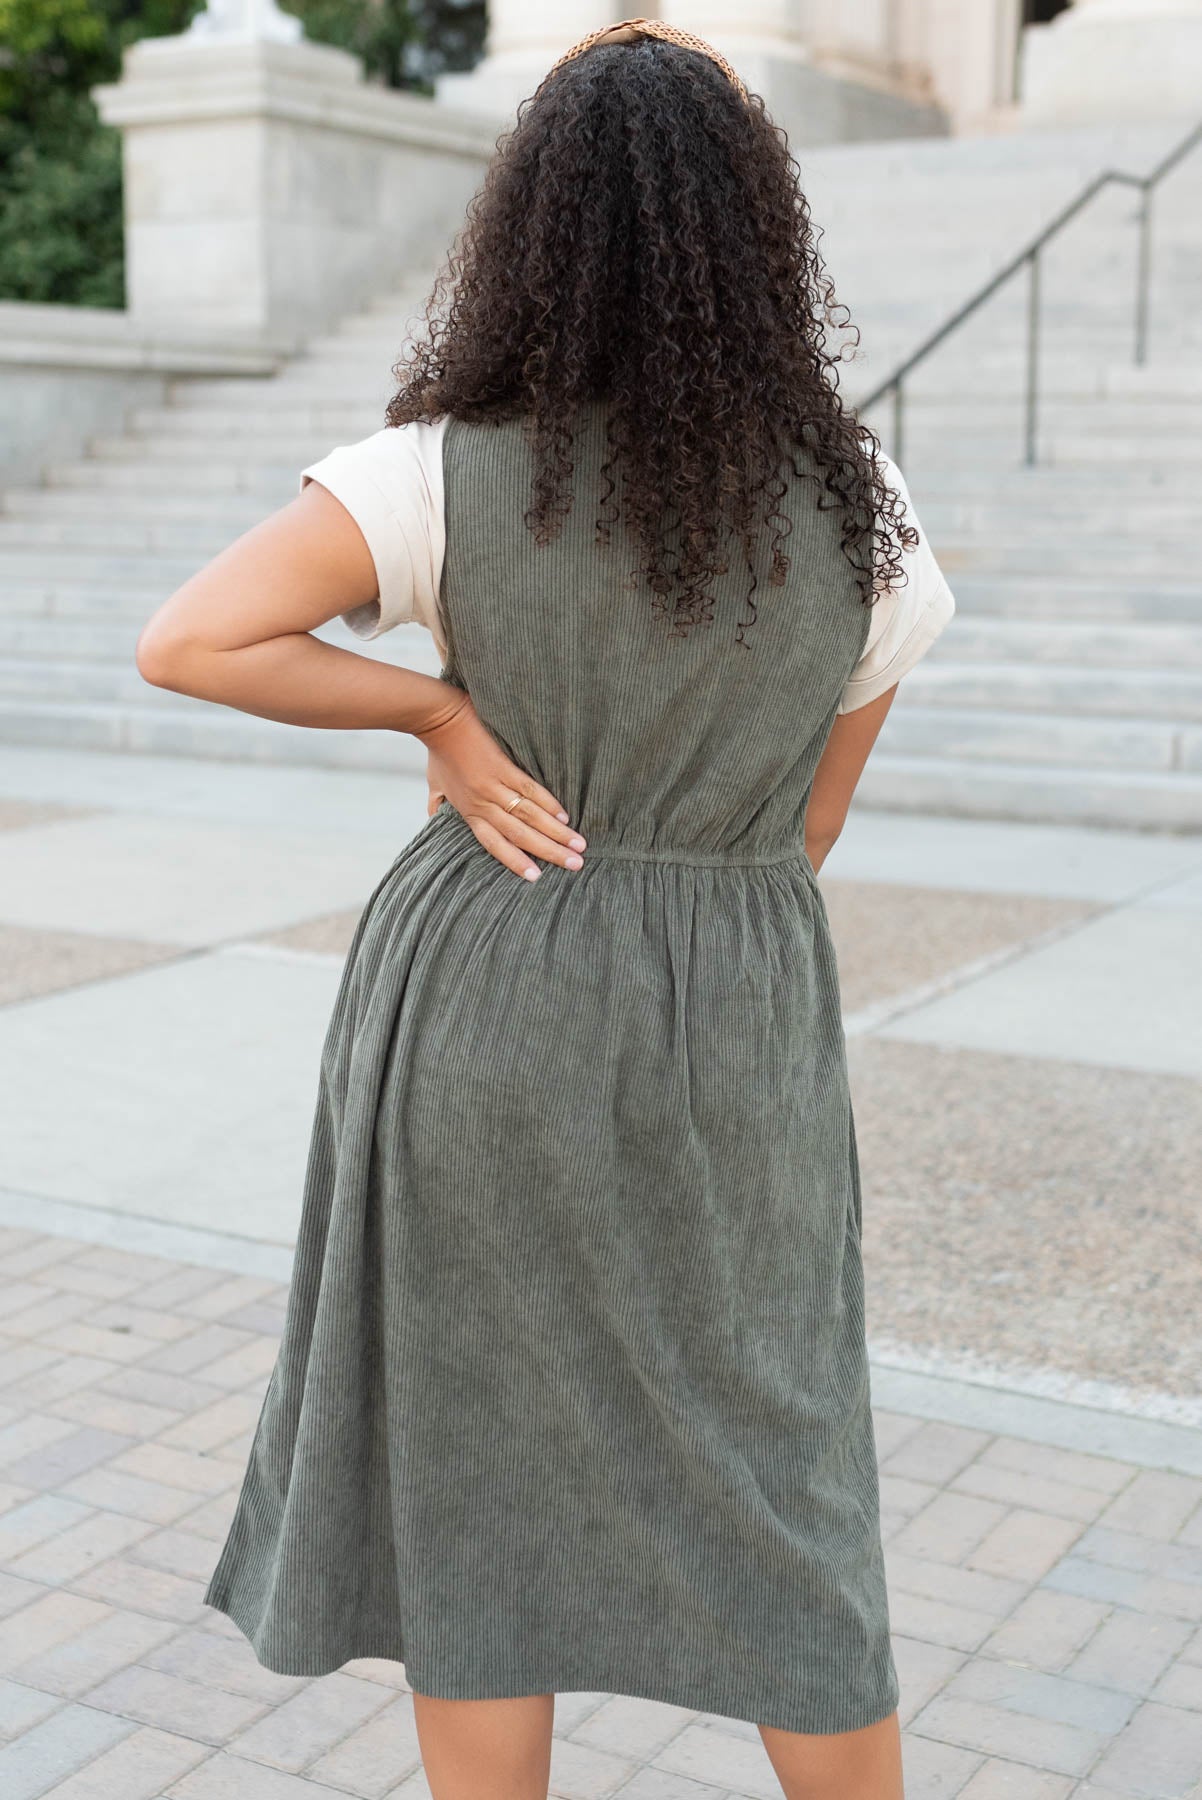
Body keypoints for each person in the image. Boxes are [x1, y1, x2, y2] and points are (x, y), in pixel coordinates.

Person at [135, 17, 955, 1799]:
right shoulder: (864, 506)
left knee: (474, 1475)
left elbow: (190, 638)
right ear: (758, 229)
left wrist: (438, 709)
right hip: (728, 1015)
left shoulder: (434, 466)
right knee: (778, 1467)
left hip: (486, 983)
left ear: (529, 222)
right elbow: (797, 838)